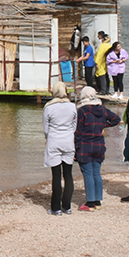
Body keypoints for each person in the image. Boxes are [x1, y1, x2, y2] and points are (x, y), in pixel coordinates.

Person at [75, 86, 120, 211]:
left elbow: (78, 132)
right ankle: (97, 201)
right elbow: (116, 119)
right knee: (96, 173)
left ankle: (90, 203)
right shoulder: (102, 109)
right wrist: (103, 125)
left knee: (88, 173)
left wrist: (75, 148)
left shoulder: (82, 111)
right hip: (99, 146)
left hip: (85, 146)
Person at [42, 81, 76, 215]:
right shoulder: (72, 106)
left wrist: (48, 138)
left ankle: (55, 208)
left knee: (56, 175)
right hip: (68, 141)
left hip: (54, 141)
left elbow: (46, 128)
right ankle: (67, 206)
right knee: (68, 175)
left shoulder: (49, 107)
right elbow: (74, 126)